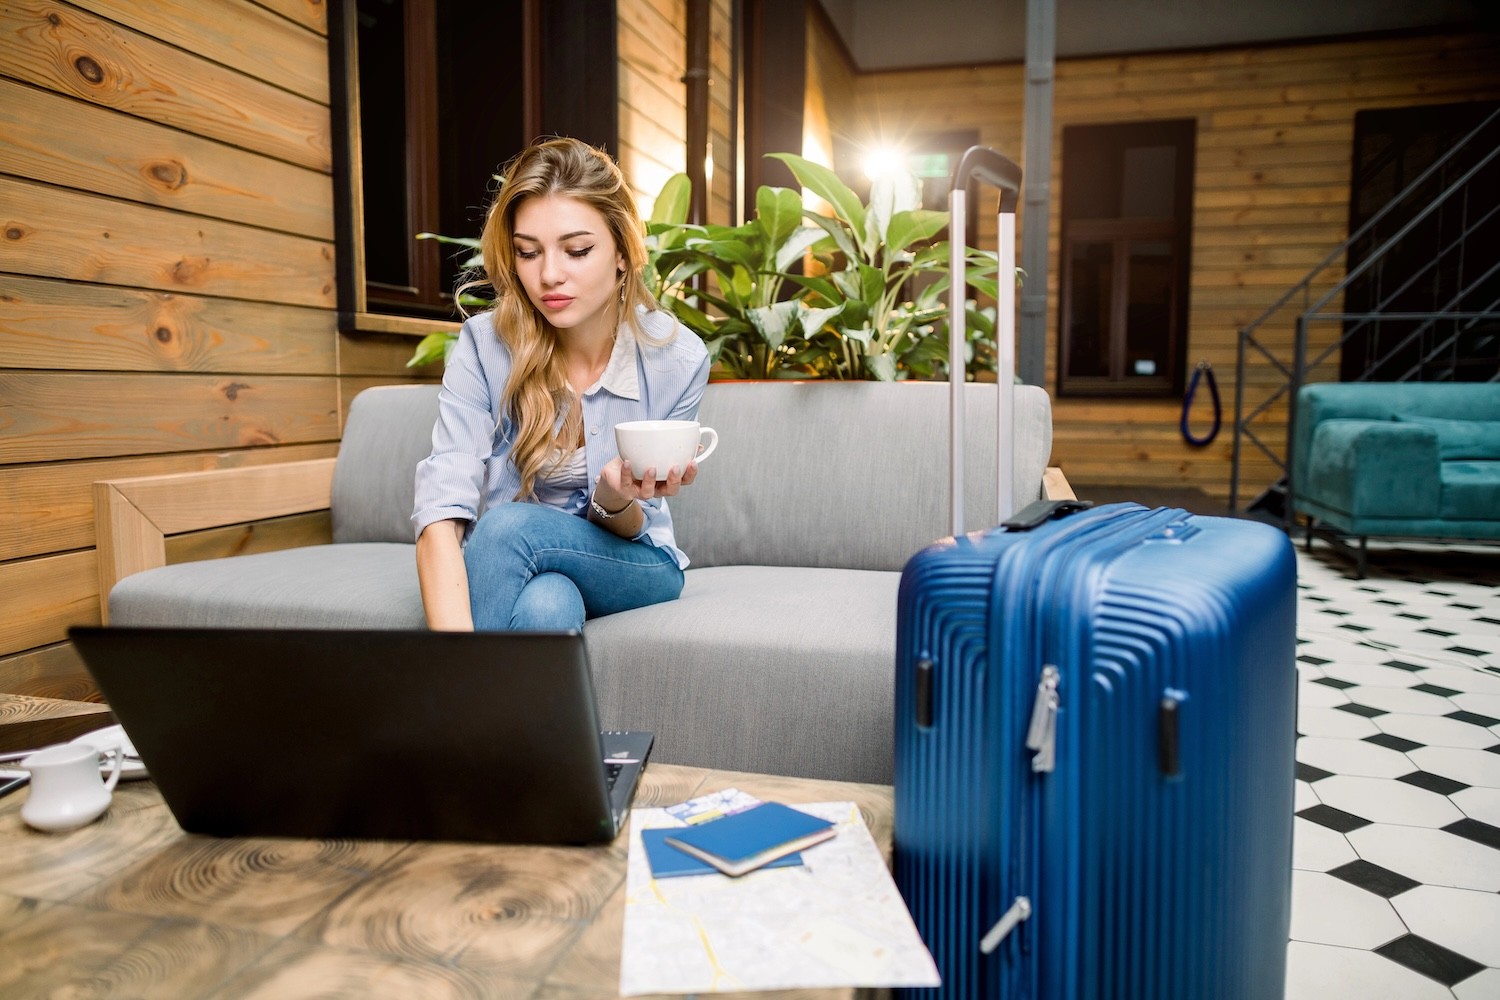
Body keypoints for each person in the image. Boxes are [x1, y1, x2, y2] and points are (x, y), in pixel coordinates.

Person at [412, 137, 710, 632]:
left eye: (577, 250)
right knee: (546, 605)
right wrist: (454, 654)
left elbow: (638, 521)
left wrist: (613, 495)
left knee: (506, 528)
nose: (549, 275)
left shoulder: (676, 359)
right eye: (528, 253)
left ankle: (454, 708)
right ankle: (495, 707)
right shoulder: (485, 347)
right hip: (517, 565)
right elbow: (441, 513)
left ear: (621, 253)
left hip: (634, 560)